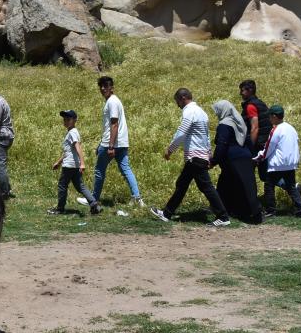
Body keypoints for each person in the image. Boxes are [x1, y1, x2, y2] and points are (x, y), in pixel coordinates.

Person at [152, 88, 229, 226]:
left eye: (177, 101)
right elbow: (206, 136)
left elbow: (181, 133)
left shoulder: (189, 111)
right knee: (182, 184)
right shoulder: (202, 112)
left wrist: (170, 150)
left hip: (195, 156)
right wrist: (209, 154)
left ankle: (223, 217)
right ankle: (167, 213)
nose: (177, 105)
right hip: (200, 156)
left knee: (206, 187)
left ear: (183, 98)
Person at [92, 76, 142, 206]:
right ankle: (137, 198)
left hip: (112, 143)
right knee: (126, 169)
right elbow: (110, 126)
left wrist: (110, 146)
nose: (103, 89)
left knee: (99, 171)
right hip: (121, 142)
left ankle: (93, 199)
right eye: (101, 86)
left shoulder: (112, 102)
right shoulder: (113, 101)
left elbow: (114, 124)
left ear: (112, 88)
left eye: (106, 86)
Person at [212, 100, 264, 224]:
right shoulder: (239, 122)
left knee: (240, 187)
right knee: (236, 185)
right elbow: (247, 141)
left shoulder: (225, 124)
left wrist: (214, 160)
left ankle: (249, 213)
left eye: (217, 110)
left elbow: (222, 144)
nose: (216, 113)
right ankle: (231, 210)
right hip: (244, 156)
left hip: (233, 159)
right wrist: (252, 156)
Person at [256, 104, 301, 217]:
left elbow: (269, 147)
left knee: (269, 185)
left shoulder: (276, 130)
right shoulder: (291, 128)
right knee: (291, 186)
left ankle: (270, 210)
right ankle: (300, 209)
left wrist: (260, 157)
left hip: (277, 164)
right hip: (290, 163)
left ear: (274, 116)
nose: (269, 119)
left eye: (270, 116)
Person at [50, 110, 98, 215]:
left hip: (69, 165)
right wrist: (58, 162)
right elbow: (68, 151)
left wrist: (82, 162)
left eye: (68, 119)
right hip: (74, 164)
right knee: (80, 186)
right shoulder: (72, 132)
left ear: (75, 120)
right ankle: (93, 203)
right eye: (64, 119)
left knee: (62, 185)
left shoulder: (72, 133)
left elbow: (77, 146)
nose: (66, 121)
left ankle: (60, 208)